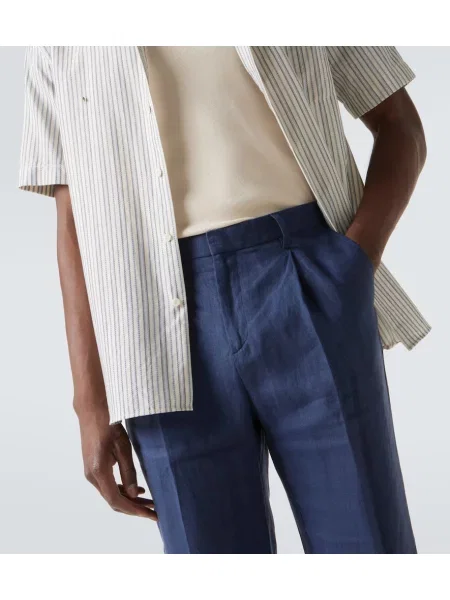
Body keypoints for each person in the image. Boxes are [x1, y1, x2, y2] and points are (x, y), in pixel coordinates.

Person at [19, 46, 430, 554]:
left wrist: (353, 261)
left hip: (305, 282)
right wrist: (90, 403)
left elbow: (400, 124)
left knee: (367, 547)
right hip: (149, 319)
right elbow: (73, 212)